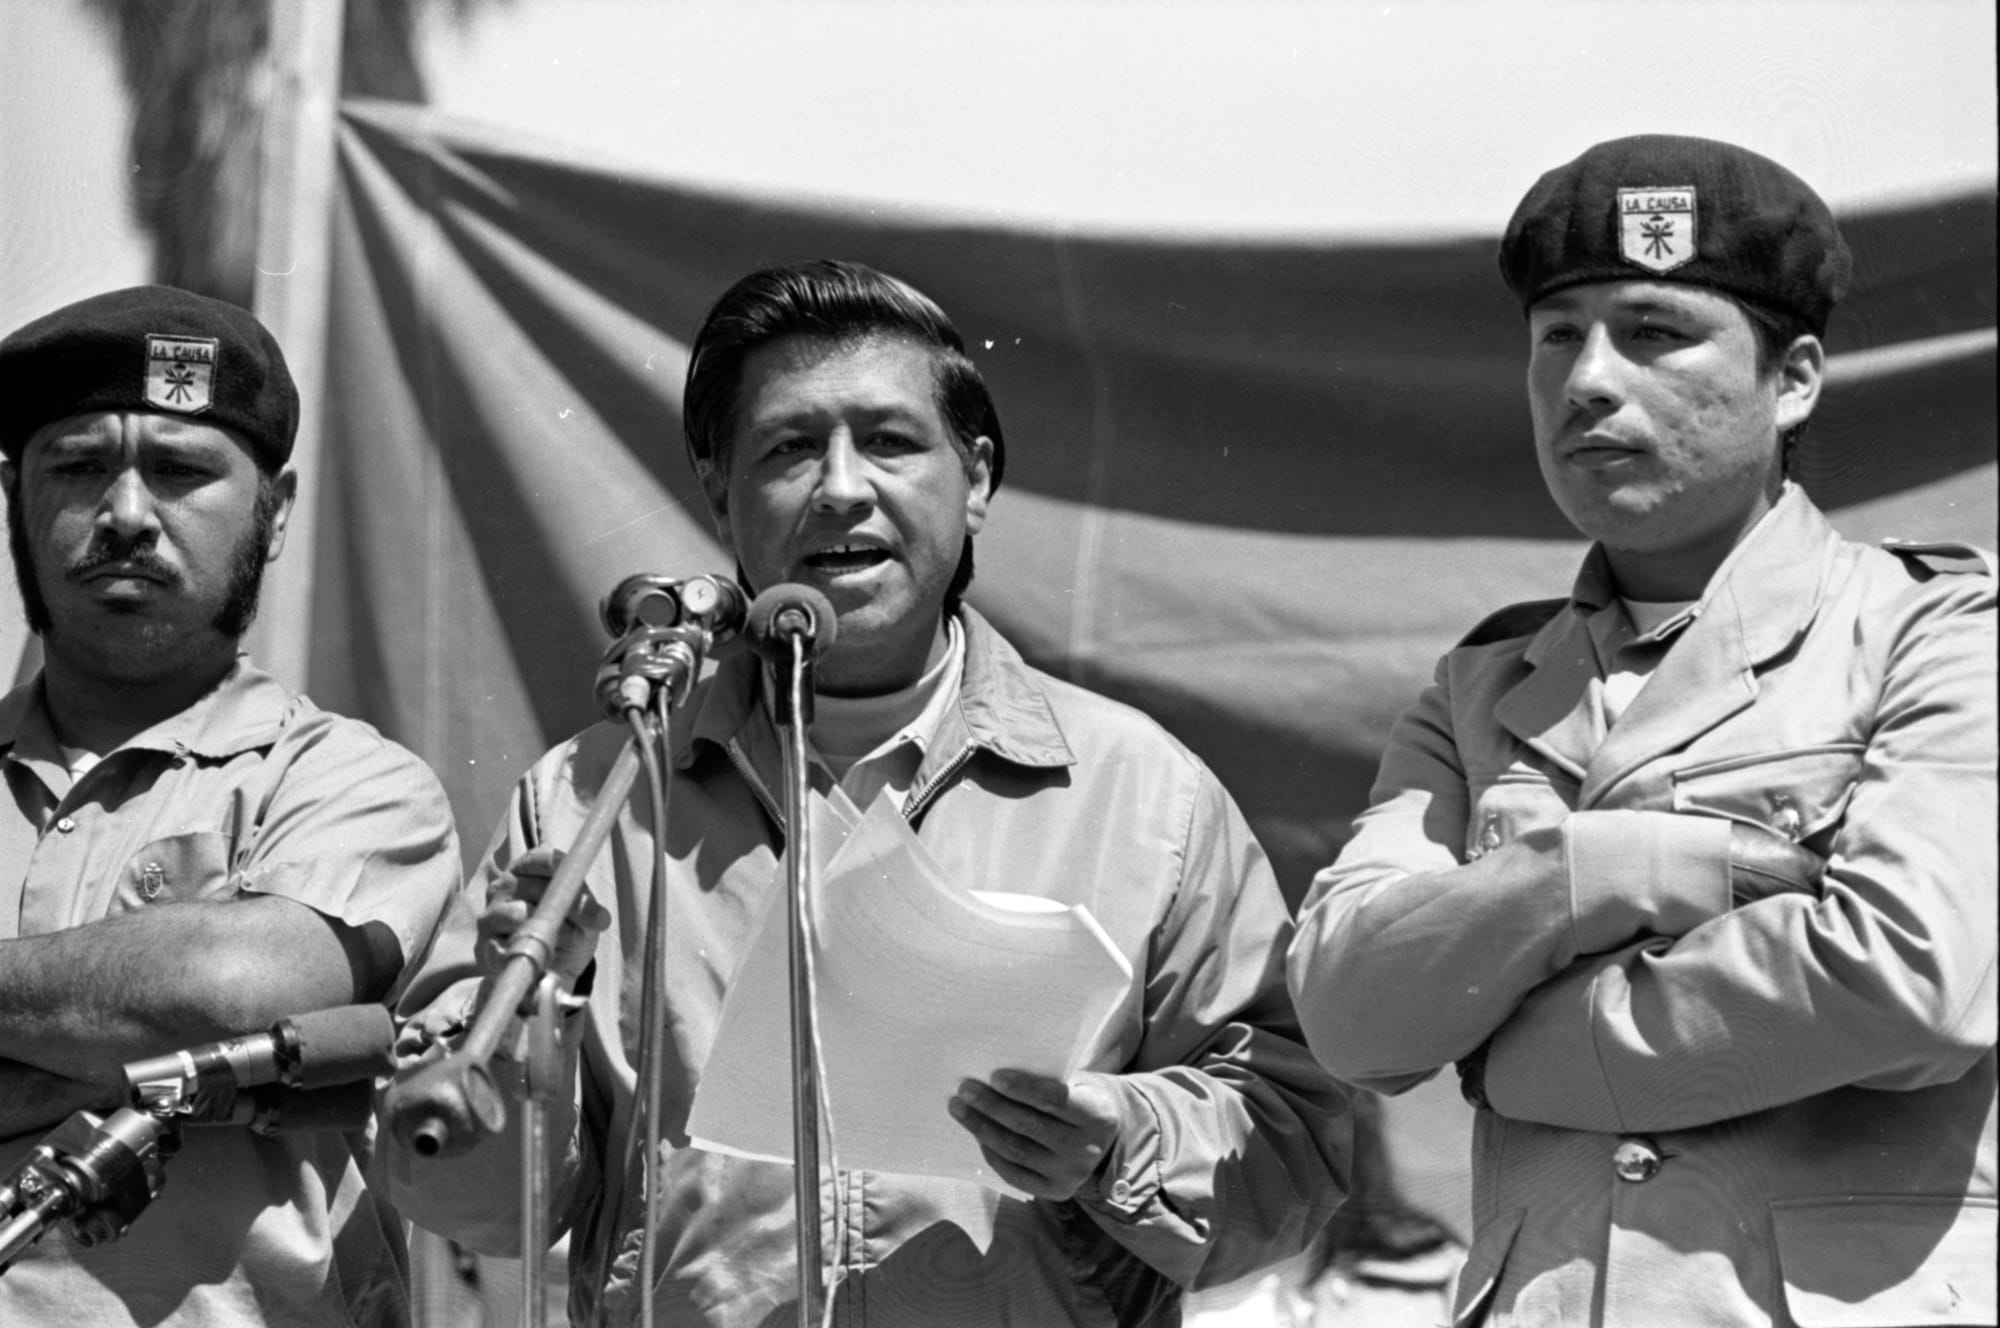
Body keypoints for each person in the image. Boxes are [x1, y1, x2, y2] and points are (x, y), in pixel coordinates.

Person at [385, 259, 1349, 1325]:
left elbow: (1293, 1152)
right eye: (790, 447)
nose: (841, 486)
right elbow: (457, 1192)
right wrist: (542, 1033)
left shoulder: (1138, 791)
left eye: (888, 441)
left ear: (974, 477)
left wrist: (1117, 1139)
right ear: (720, 490)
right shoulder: (591, 799)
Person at [1287, 134, 1997, 1326]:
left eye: (1655, 331)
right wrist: (1605, 866)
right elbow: (1351, 1008)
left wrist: (1524, 1051)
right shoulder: (1482, 683)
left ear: (1796, 379)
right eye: (1556, 335)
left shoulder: (1937, 630)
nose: (1587, 380)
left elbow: (1909, 978)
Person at [0, 286, 462, 1326]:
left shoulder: (349, 782)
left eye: (179, 470)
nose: (125, 513)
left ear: (277, 509)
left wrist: (186, 1009)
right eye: (77, 465)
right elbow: (191, 1015)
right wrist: (134, 1042)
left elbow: (236, 987)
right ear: (10, 496)